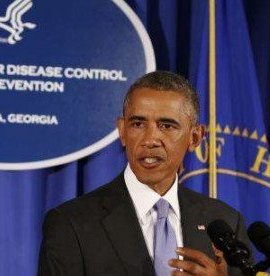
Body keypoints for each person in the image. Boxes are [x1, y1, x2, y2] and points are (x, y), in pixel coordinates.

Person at [38, 71, 251, 276]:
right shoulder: (72, 223)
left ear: (194, 138)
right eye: (138, 124)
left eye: (167, 125)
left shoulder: (226, 222)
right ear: (122, 131)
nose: (149, 139)